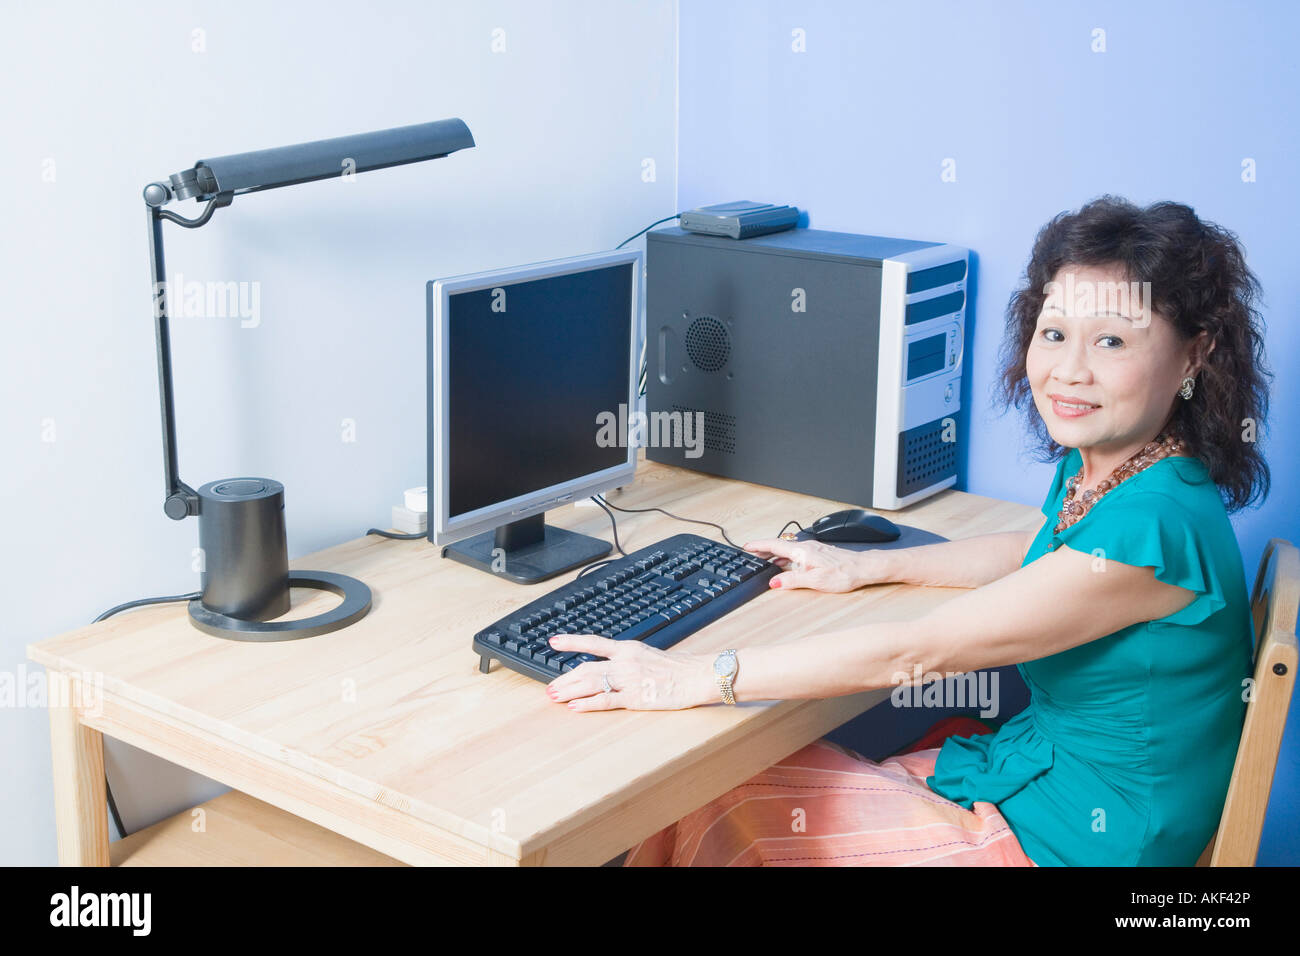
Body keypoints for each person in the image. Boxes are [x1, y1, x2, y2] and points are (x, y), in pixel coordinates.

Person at [547, 196, 1271, 866]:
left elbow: (920, 649)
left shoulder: (1152, 526)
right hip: (1054, 782)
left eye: (1112, 341)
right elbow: (1042, 552)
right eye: (1054, 334)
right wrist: (867, 568)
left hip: (1071, 841)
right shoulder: (1133, 467)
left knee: (706, 789)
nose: (1067, 372)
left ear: (1194, 355)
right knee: (711, 778)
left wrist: (689, 676)